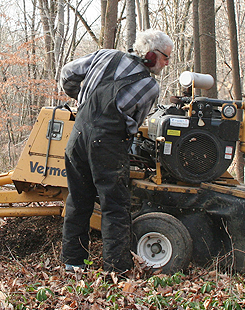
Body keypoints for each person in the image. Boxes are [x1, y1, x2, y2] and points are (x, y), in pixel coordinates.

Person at [59, 29, 174, 273]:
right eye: (165, 57)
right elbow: (134, 123)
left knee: (78, 201)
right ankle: (116, 270)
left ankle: (73, 263)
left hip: (77, 137)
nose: (166, 63)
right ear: (151, 56)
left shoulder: (105, 55)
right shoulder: (149, 86)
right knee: (115, 207)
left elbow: (68, 73)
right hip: (108, 146)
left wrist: (82, 100)